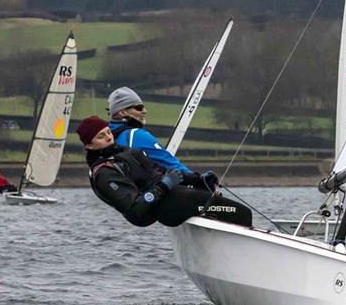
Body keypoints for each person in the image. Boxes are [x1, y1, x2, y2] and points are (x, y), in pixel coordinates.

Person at [76, 115, 252, 228]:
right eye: (100, 136)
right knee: (243, 214)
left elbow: (161, 171)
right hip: (166, 207)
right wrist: (164, 186)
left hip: (175, 196)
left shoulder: (126, 152)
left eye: (108, 132)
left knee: (213, 195)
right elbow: (135, 210)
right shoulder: (104, 173)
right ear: (89, 145)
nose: (108, 137)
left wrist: (195, 178)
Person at [106, 86, 191, 172]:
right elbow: (170, 164)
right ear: (122, 112)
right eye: (139, 108)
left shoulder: (105, 136)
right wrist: (197, 179)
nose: (144, 111)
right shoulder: (137, 135)